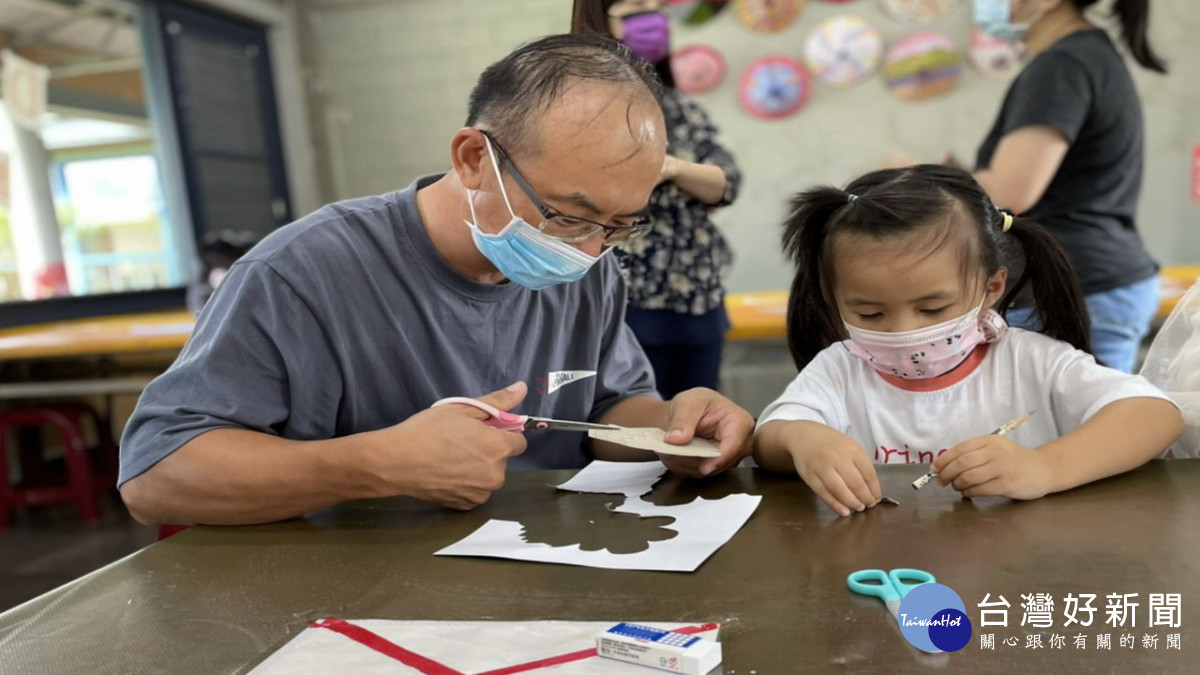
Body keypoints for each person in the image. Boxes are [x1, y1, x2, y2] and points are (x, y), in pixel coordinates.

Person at [118, 34, 755, 526]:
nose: (589, 250)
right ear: (475, 159)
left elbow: (602, 407)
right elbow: (156, 477)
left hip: (544, 563)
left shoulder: (590, 268)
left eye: (619, 226)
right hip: (348, 596)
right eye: (570, 215)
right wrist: (373, 466)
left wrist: (673, 425)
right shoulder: (300, 274)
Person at [752, 165, 1181, 517]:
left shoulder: (1029, 361)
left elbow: (1156, 415)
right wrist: (803, 438)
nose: (904, 331)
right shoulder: (840, 368)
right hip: (882, 572)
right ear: (832, 298)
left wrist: (1045, 467)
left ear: (992, 288)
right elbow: (769, 440)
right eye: (870, 313)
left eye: (933, 309)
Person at [968, 0, 1167, 373]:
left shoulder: (1063, 66)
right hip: (1094, 279)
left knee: (1080, 427)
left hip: (1073, 285)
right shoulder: (1086, 56)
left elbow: (1011, 190)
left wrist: (922, 178)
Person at [571, 0, 741, 397]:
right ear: (601, 20)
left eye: (655, 6)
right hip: (631, 293)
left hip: (697, 292)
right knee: (635, 415)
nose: (651, 18)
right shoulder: (584, 106)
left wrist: (673, 168)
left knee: (699, 414)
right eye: (635, 6)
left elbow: (725, 182)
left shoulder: (679, 107)